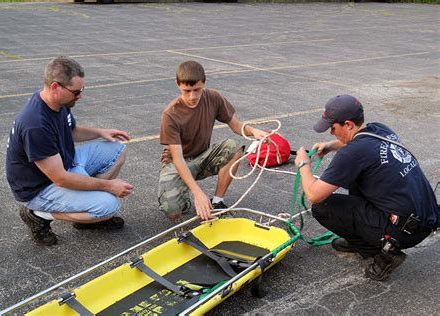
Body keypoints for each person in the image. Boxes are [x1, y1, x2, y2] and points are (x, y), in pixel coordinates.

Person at [294, 94, 438, 281]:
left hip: (403, 231)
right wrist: (331, 146)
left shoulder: (352, 153)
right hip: (424, 219)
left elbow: (313, 195)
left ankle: (386, 254)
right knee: (357, 178)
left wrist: (303, 164)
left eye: (333, 128)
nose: (331, 133)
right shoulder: (379, 129)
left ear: (347, 125)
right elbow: (357, 143)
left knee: (323, 208)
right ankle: (363, 237)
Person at [6, 56, 134, 246]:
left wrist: (100, 132)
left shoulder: (56, 102)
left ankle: (85, 214)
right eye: (76, 92)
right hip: (40, 187)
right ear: (56, 87)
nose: (80, 96)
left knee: (117, 149)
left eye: (81, 90)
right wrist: (108, 186)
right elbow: (60, 179)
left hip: (65, 163)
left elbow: (71, 130)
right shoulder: (36, 125)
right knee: (109, 205)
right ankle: (39, 214)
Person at [158, 60, 268, 221]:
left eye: (197, 90)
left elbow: (236, 126)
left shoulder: (213, 98)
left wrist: (254, 132)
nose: (192, 96)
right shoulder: (170, 114)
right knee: (172, 211)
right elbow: (178, 159)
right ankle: (185, 198)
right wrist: (198, 193)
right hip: (177, 163)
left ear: (204, 83)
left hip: (202, 156)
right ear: (177, 84)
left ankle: (217, 202)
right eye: (187, 90)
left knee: (234, 147)